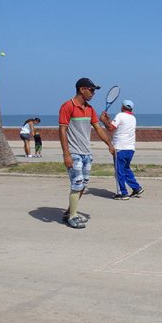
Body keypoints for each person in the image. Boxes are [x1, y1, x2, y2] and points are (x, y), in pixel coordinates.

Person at [59, 77, 115, 229]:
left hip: (87, 153)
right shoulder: (67, 106)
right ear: (81, 89)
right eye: (91, 90)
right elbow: (62, 130)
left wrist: (110, 144)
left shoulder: (90, 109)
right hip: (74, 152)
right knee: (76, 184)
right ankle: (72, 216)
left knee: (83, 184)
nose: (93, 93)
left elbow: (98, 128)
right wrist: (66, 154)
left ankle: (70, 212)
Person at [100, 99, 144, 200]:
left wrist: (103, 120)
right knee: (126, 169)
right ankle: (136, 188)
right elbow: (116, 126)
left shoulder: (120, 115)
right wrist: (108, 120)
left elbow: (111, 128)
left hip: (120, 148)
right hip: (130, 148)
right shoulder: (133, 118)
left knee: (119, 171)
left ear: (122, 107)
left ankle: (122, 193)